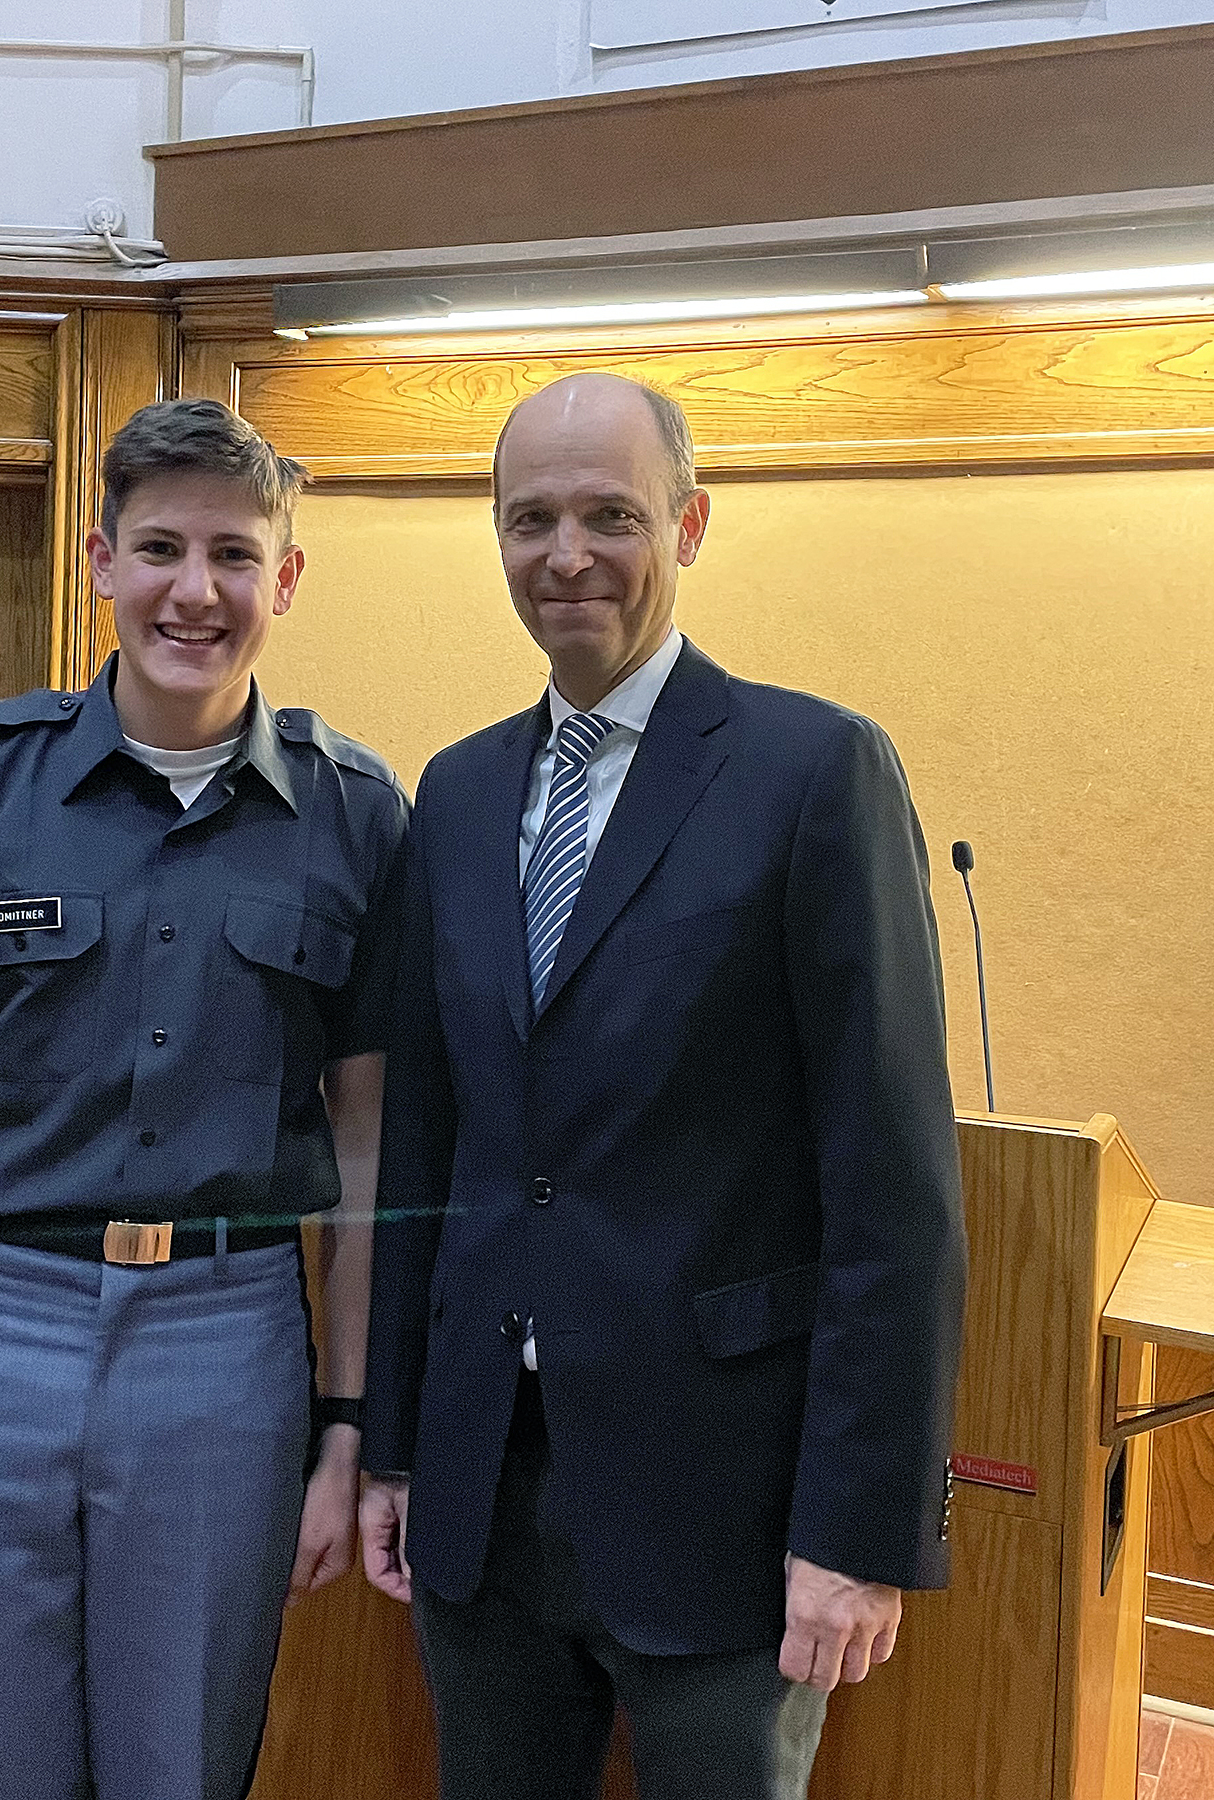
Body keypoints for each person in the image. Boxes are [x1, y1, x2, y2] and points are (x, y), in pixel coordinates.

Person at [356, 372, 967, 1800]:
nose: (568, 553)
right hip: (485, 1500)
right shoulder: (452, 794)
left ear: (688, 526)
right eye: (533, 519)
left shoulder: (813, 771)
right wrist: (396, 1451)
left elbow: (893, 1188)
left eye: (611, 515)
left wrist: (861, 1533)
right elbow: (425, 1157)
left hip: (726, 1512)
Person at [0, 399, 406, 1800]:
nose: (193, 592)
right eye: (158, 549)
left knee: (180, 1765)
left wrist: (346, 1428)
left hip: (224, 1343)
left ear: (286, 580)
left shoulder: (355, 814)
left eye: (233, 555)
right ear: (99, 559)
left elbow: (371, 1142)